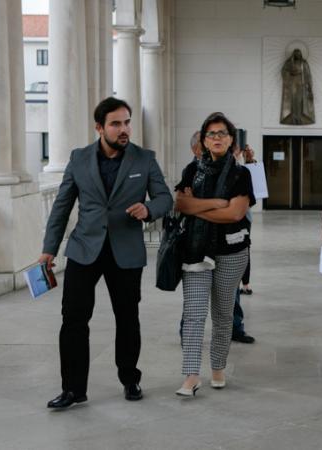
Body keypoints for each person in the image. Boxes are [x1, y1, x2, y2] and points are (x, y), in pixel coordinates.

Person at [41, 97, 173, 409]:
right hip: (84, 248)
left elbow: (165, 198)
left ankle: (130, 379)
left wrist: (149, 209)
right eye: (116, 123)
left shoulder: (144, 159)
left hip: (125, 250)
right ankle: (73, 389)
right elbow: (62, 206)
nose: (124, 128)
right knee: (73, 319)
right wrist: (49, 249)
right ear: (99, 128)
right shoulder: (79, 158)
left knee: (127, 318)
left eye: (127, 122)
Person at [174, 112, 255, 396]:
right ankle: (191, 376)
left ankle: (218, 368)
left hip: (232, 251)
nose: (217, 138)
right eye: (211, 134)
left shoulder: (241, 174)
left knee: (222, 314)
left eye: (222, 133)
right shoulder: (191, 170)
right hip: (196, 251)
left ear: (231, 140)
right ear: (204, 141)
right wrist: (216, 203)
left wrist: (197, 207)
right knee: (194, 314)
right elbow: (181, 204)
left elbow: (235, 214)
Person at [231, 144, 257, 344]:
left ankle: (235, 326)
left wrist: (249, 161)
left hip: (238, 226)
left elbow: (238, 209)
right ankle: (187, 331)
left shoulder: (242, 170)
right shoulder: (194, 169)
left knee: (232, 284)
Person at [280, 48, 315, 125]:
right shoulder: (289, 62)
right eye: (296, 54)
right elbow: (284, 71)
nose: (297, 55)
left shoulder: (304, 63)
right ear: (293, 54)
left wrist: (309, 86)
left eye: (298, 54)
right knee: (293, 101)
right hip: (292, 84)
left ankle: (299, 117)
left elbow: (308, 75)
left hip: (301, 85)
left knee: (300, 101)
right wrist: (291, 72)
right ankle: (293, 117)